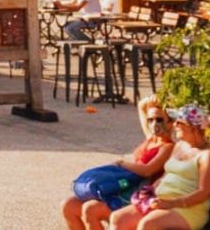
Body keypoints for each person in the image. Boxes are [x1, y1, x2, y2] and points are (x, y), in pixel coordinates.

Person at [62, 97, 174, 230]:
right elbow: (141, 106)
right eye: (150, 120)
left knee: (90, 209)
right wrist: (154, 99)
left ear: (170, 122)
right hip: (123, 186)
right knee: (68, 205)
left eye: (159, 119)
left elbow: (148, 170)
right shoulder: (151, 139)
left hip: (136, 193)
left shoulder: (168, 146)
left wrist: (122, 163)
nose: (154, 123)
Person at [109, 105, 210, 230]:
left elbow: (204, 192)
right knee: (118, 218)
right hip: (162, 201)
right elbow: (165, 176)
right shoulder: (179, 146)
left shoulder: (208, 156)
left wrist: (171, 203)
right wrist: (149, 192)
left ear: (193, 128)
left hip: (188, 209)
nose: (174, 125)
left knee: (147, 225)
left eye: (179, 122)